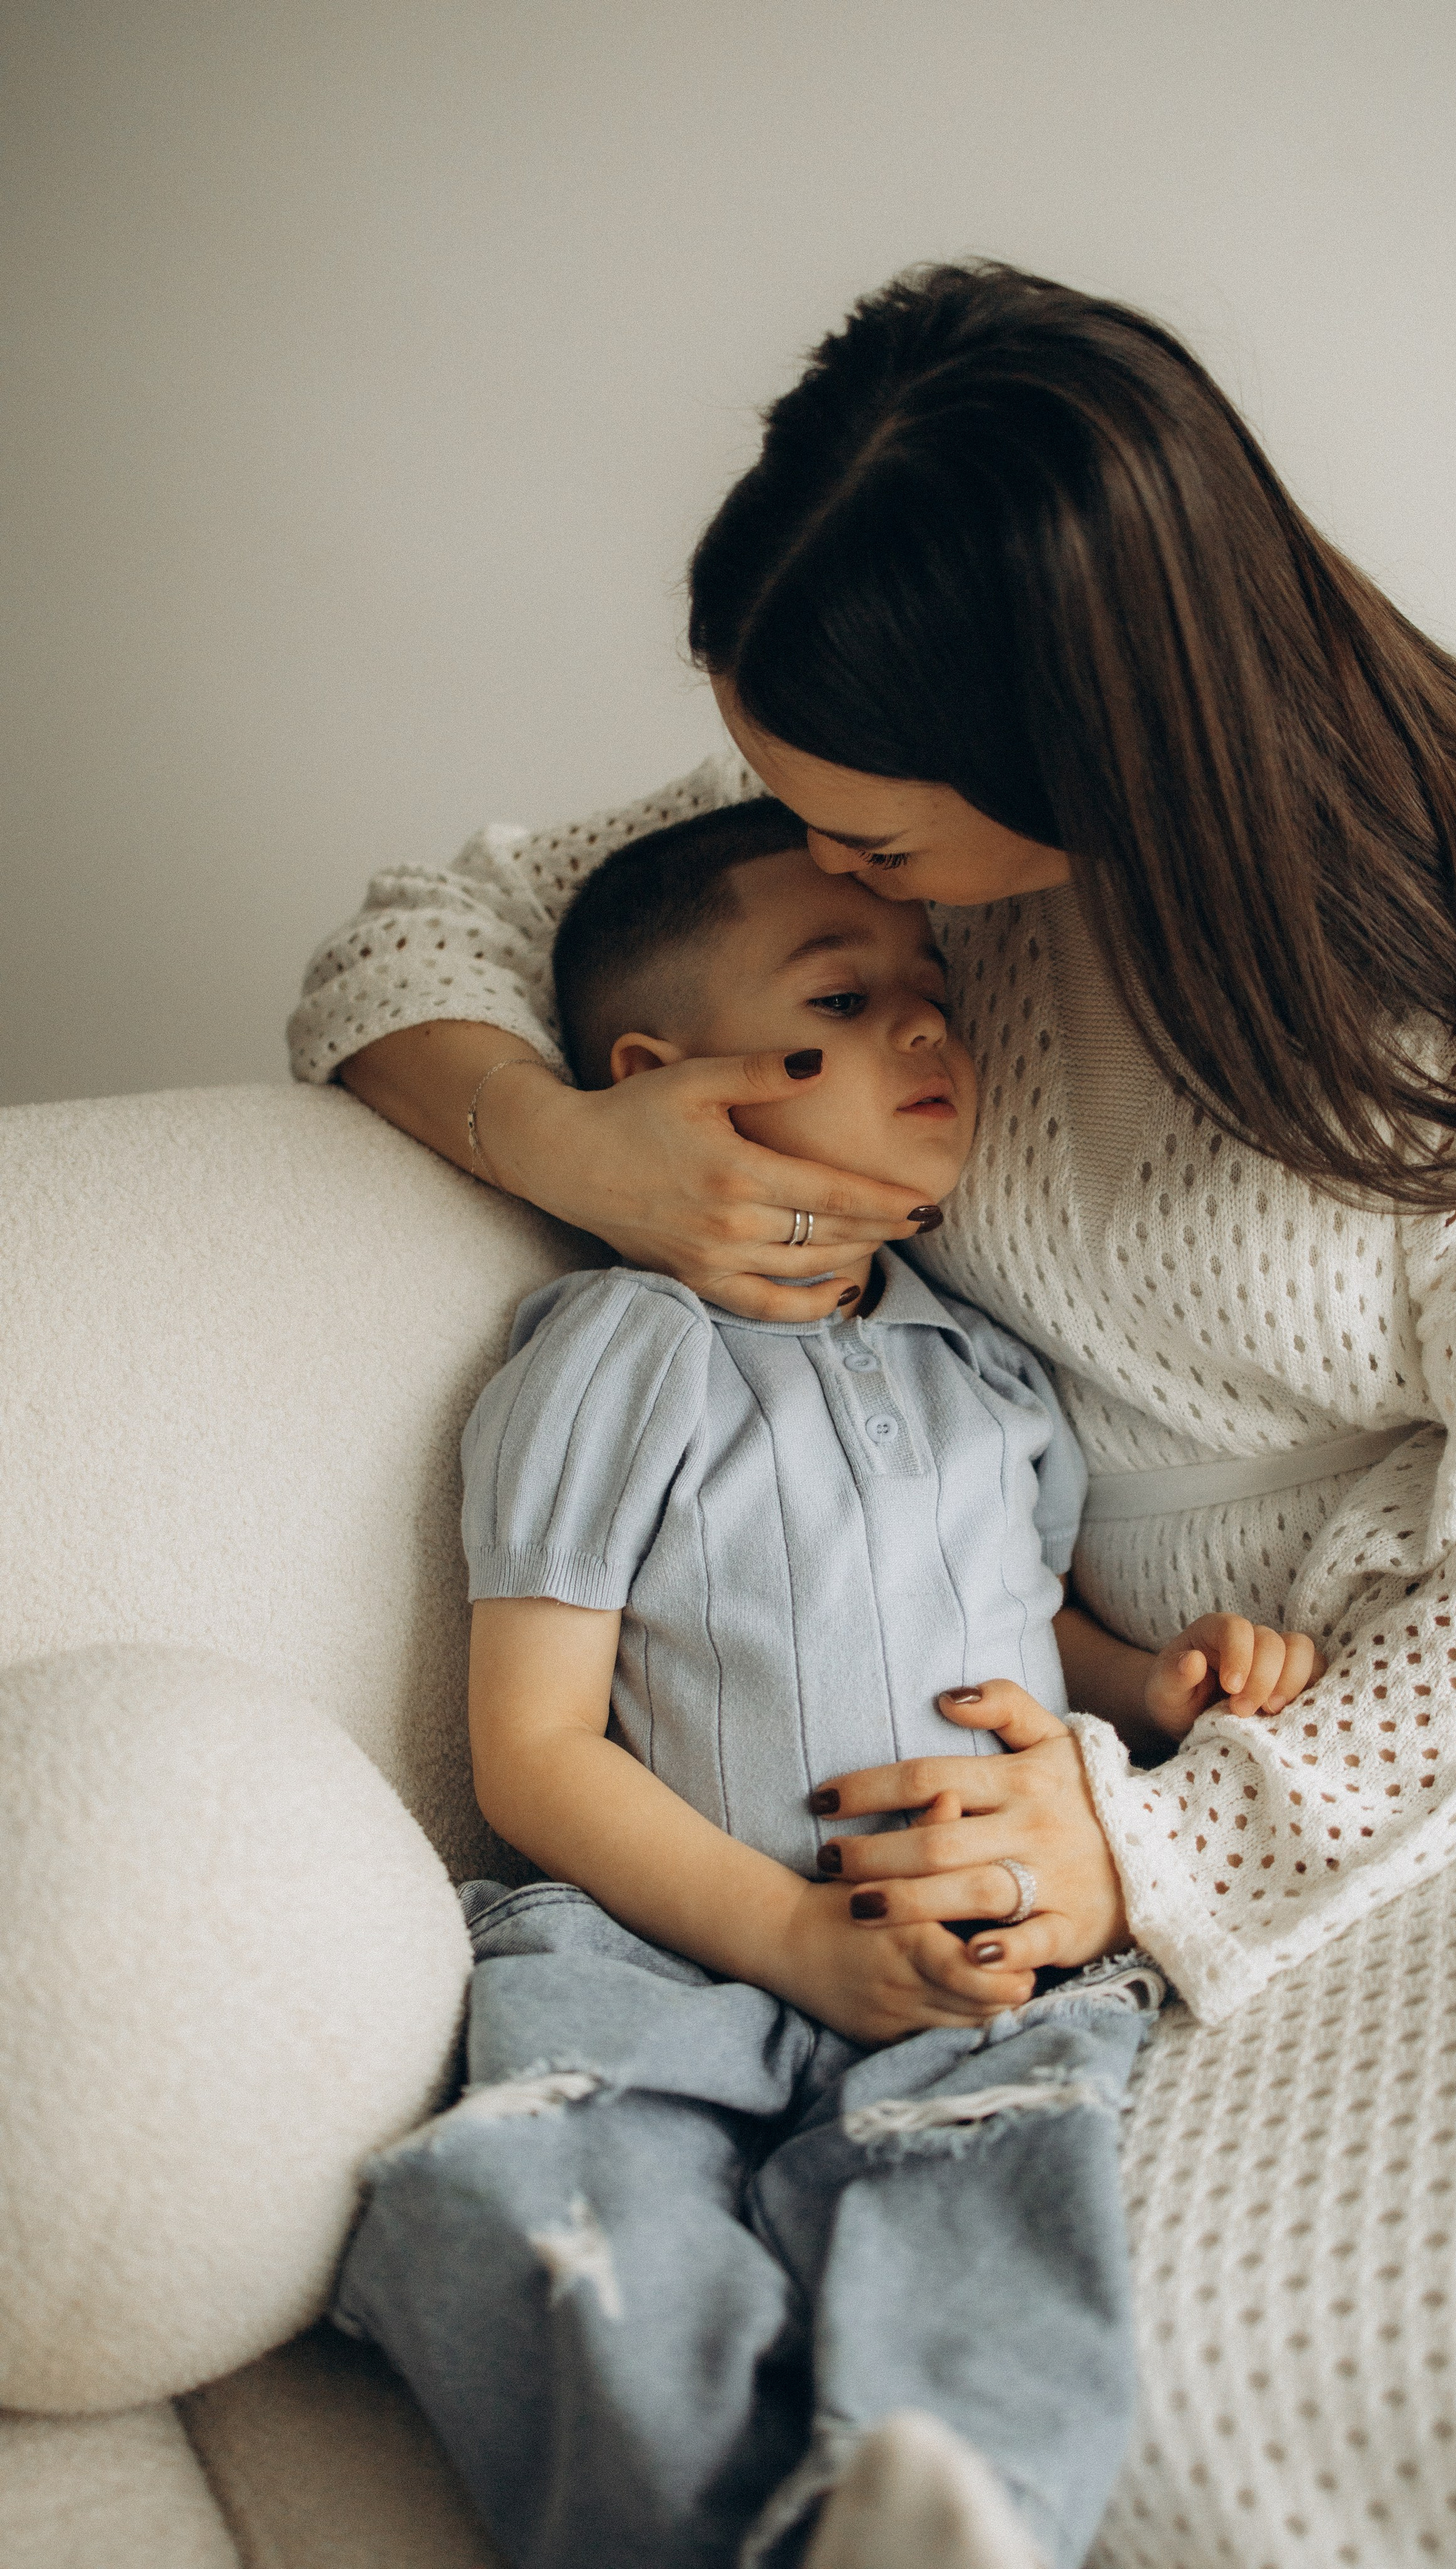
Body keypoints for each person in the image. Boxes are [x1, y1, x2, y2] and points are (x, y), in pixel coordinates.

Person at [293, 262, 1456, 2544]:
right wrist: (568, 1146)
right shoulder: (871, 882)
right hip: (1046, 1711)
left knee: (1432, 2350)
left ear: (1086, 751)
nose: (843, 889)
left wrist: (1162, 1824)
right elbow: (428, 931)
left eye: (874, 852)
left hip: (1438, 1729)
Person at [332, 797, 1326, 2569]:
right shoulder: (628, 1357)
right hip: (659, 1942)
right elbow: (533, 1750)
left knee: (1010, 2221)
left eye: (925, 981)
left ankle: (945, 2512)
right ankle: (726, 2523)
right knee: (529, 2206)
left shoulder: (986, 1370)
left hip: (972, 1954)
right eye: (838, 1004)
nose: (925, 1022)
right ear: (656, 1081)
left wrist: (1166, 1688)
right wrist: (788, 1944)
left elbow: (1036, 1628)